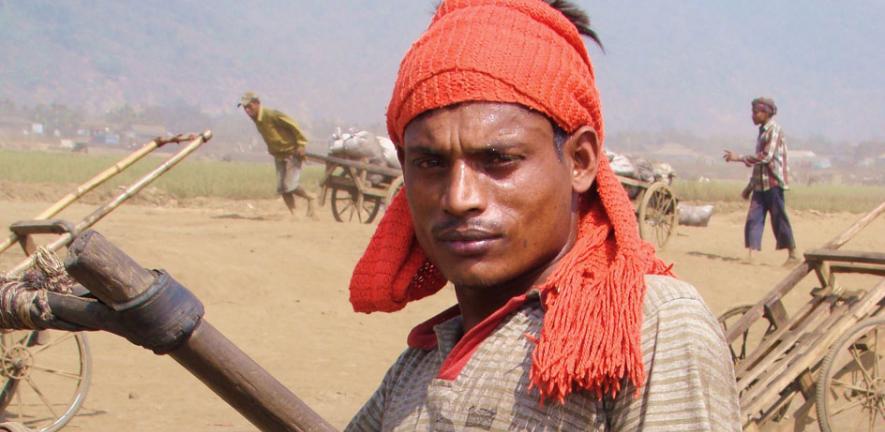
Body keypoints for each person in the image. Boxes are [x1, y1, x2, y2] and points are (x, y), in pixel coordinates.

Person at [345, 1, 741, 430]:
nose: (459, 198)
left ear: (580, 161)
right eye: (430, 163)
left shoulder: (646, 328)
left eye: (499, 160)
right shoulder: (416, 367)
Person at [724, 97, 798, 266]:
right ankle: (751, 255)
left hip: (773, 183)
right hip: (760, 185)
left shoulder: (774, 130)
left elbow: (766, 157)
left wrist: (738, 158)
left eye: (756, 112)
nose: (753, 116)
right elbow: (759, 165)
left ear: (766, 113)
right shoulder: (762, 131)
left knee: (779, 218)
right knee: (753, 218)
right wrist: (750, 186)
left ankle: (793, 254)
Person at [238, 92, 317, 219]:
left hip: (292, 153)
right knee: (282, 188)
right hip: (278, 154)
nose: (247, 110)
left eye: (249, 106)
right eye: (245, 108)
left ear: (257, 103)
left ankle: (310, 196)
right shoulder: (256, 120)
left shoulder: (271, 115)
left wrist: (301, 144)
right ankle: (295, 215)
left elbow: (293, 125)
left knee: (289, 185)